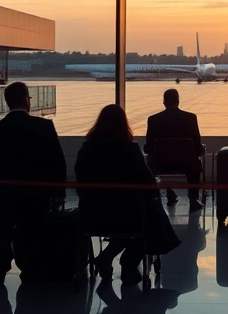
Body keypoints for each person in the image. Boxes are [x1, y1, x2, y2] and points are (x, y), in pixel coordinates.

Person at [75, 105, 180, 284]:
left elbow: (80, 183)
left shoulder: (86, 149)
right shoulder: (130, 150)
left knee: (135, 215)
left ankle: (109, 258)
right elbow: (148, 183)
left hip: (92, 215)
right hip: (128, 217)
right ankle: (128, 261)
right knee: (152, 216)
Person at [0, 81, 67, 287]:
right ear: (26, 100)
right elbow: (57, 160)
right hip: (36, 193)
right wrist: (58, 190)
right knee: (33, 233)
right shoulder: (43, 126)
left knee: (0, 233)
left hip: (5, 192)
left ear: (7, 102)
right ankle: (31, 271)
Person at [144, 89, 204, 212]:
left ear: (164, 103)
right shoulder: (191, 118)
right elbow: (198, 147)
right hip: (187, 165)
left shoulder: (153, 120)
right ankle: (193, 199)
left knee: (149, 162)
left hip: (161, 164)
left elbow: (148, 149)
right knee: (195, 161)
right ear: (178, 101)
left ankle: (163, 195)